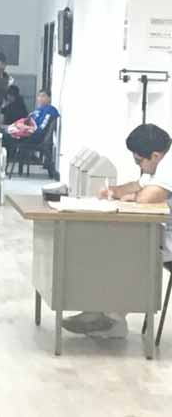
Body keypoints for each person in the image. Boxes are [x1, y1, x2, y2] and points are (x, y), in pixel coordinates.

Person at [63, 124, 172, 339]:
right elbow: (138, 185)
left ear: (156, 155)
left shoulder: (169, 165)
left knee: (131, 250)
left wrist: (135, 197)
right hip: (166, 236)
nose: (139, 166)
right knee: (118, 244)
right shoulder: (159, 164)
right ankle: (105, 313)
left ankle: (110, 318)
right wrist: (113, 191)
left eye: (139, 161)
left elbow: (147, 197)